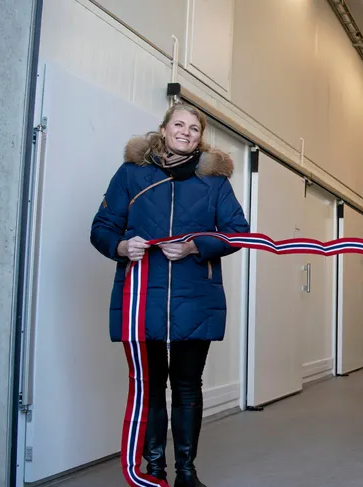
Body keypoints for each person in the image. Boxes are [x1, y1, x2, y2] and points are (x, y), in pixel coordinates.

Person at [90, 102, 249, 487]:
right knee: (152, 384)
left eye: (194, 129)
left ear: (200, 137)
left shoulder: (215, 182)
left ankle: (187, 472)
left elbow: (237, 232)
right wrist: (123, 247)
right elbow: (102, 227)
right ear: (163, 129)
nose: (185, 132)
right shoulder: (131, 175)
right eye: (178, 125)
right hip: (142, 296)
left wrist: (196, 246)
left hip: (195, 297)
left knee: (187, 384)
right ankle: (156, 469)